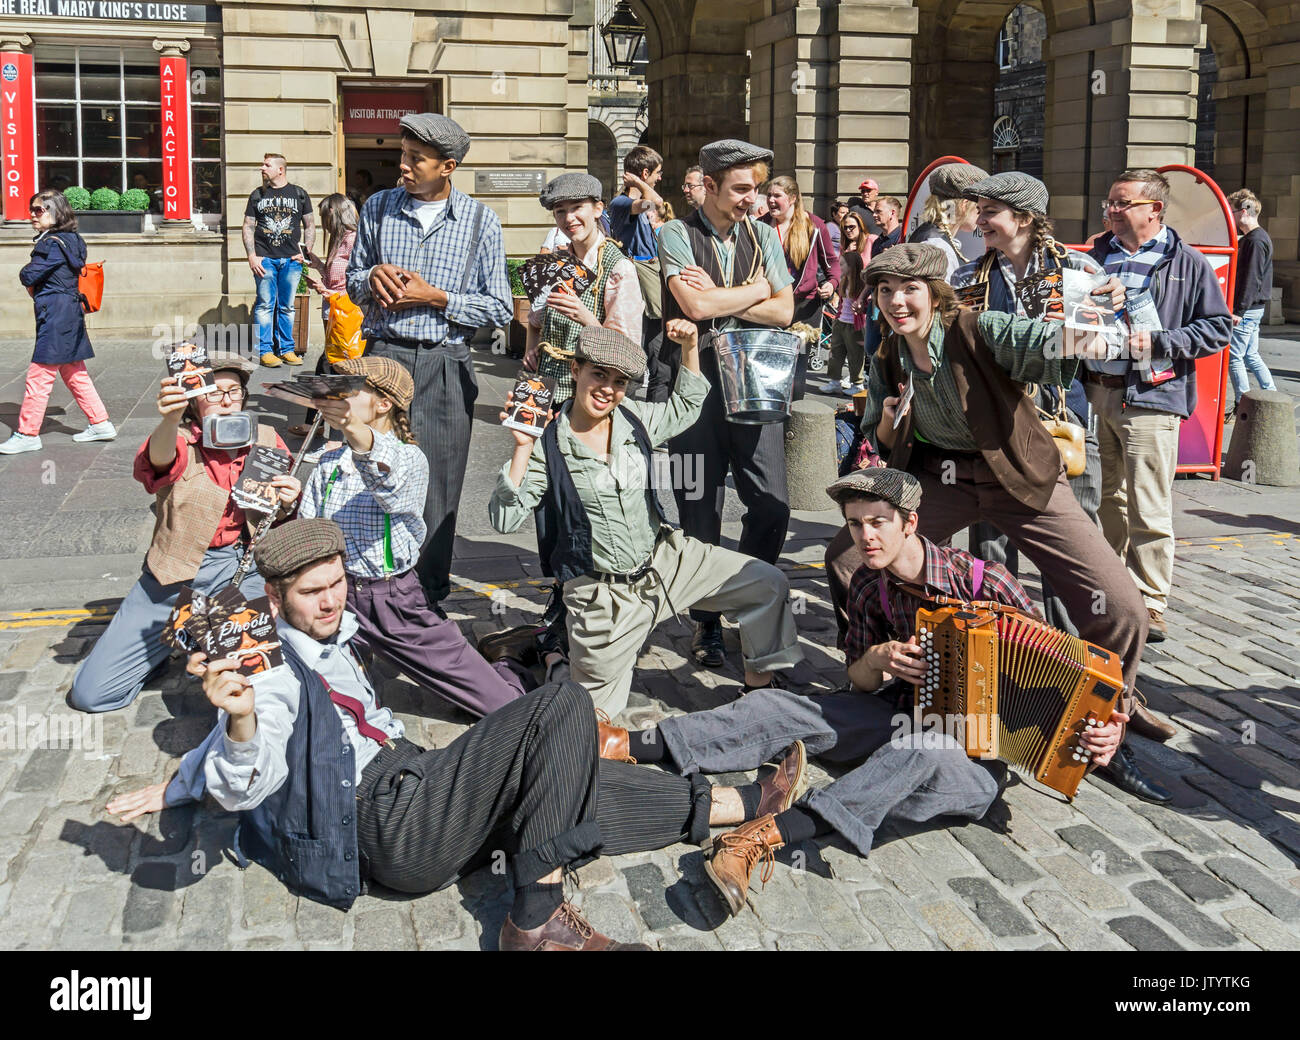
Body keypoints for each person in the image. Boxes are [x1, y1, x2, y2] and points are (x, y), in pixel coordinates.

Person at [105, 518, 802, 949]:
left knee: (555, 781)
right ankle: (535, 920)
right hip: (386, 823)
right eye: (311, 592)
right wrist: (237, 720)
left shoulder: (325, 636)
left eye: (335, 583)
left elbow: (219, 768)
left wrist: (175, 781)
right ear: (275, 598)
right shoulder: (271, 680)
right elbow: (246, 781)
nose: (329, 600)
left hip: (413, 786)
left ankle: (741, 808)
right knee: (559, 705)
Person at [597, 468, 1128, 915]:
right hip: (895, 715)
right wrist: (875, 661)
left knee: (924, 748)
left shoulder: (984, 583)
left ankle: (759, 838)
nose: (865, 537)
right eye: (855, 525)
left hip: (975, 764)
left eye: (878, 523)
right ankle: (630, 744)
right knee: (784, 703)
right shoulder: (871, 588)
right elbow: (856, 680)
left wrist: (1106, 728)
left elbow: (1073, 670)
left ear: (910, 524)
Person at [822, 244, 1168, 802]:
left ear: (934, 292)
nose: (895, 301)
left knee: (1121, 606)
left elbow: (1046, 345)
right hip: (939, 479)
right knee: (843, 556)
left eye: (909, 289)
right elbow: (880, 437)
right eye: (885, 290)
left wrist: (1091, 322)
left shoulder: (978, 328)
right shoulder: (887, 351)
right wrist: (887, 425)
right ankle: (871, 677)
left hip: (1018, 478)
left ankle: (1108, 727)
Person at [491, 324, 803, 716]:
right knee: (591, 719)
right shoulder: (548, 444)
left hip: (664, 561)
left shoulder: (632, 416)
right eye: (599, 374)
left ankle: (758, 694)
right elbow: (505, 518)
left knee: (767, 584)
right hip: (604, 597)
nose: (608, 389)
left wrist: (691, 346)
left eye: (619, 381)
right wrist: (522, 447)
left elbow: (687, 407)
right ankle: (553, 655)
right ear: (576, 370)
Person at [299, 356, 530, 718]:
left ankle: (505, 662)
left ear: (383, 403)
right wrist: (283, 505)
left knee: (504, 708)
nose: (340, 394)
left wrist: (350, 427)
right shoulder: (330, 461)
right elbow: (310, 527)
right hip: (338, 595)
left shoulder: (410, 459)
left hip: (393, 601)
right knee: (313, 702)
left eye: (352, 388)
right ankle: (359, 666)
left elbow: (385, 481)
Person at [346, 112, 512, 609]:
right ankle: (370, 586)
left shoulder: (482, 222)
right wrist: (371, 276)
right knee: (366, 473)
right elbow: (352, 282)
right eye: (403, 154)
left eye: (415, 158)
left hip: (445, 364)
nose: (403, 165)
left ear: (448, 166)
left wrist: (436, 297)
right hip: (381, 360)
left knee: (439, 485)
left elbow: (499, 306)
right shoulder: (376, 208)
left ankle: (428, 595)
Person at [67, 359, 299, 713]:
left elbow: (277, 517)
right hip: (176, 574)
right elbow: (157, 461)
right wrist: (169, 418)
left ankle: (198, 639)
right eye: (212, 393)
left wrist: (288, 499)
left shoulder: (266, 438)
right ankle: (177, 638)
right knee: (92, 695)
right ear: (194, 401)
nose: (225, 400)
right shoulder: (178, 440)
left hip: (243, 570)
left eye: (233, 391)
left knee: (252, 684)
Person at [656, 139, 795, 669]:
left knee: (772, 503)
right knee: (699, 507)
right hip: (693, 387)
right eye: (741, 189)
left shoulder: (762, 234)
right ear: (708, 187)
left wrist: (726, 293)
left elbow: (784, 312)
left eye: (756, 188)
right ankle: (706, 620)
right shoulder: (676, 232)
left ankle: (747, 590)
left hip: (755, 381)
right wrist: (755, 288)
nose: (752, 199)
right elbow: (693, 304)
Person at [1083, 169, 1232, 643]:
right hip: (1098, 390)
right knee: (1109, 499)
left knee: (1148, 504)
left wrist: (1163, 340)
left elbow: (1218, 328)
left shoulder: (1186, 262)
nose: (1111, 211)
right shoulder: (1097, 254)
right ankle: (1114, 589)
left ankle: (1150, 601)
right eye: (1110, 202)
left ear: (1155, 210)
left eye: (1121, 203)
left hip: (1152, 395)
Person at [2, 190, 116, 455]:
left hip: (54, 315)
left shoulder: (51, 244)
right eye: (32, 209)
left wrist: (24, 271)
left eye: (39, 210)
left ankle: (27, 433)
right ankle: (100, 424)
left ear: (56, 212)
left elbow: (29, 273)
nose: (32, 214)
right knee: (74, 372)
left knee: (38, 376)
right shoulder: (74, 240)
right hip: (70, 312)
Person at [524, 173, 644, 406]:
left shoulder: (618, 267)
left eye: (577, 207)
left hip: (589, 395)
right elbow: (534, 319)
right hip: (544, 384)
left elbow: (626, 353)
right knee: (529, 441)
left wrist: (586, 318)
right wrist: (530, 349)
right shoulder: (554, 263)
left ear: (598, 209)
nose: (569, 218)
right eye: (560, 211)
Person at [761, 176, 839, 400]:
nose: (771, 201)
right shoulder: (761, 225)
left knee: (797, 360)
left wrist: (832, 284)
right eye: (769, 196)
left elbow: (831, 262)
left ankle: (794, 409)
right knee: (771, 357)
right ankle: (771, 405)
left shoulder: (814, 226)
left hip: (805, 304)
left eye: (777, 196)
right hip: (770, 301)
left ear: (793, 198)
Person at [292, 193, 359, 436]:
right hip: (332, 309)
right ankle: (317, 425)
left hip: (344, 312)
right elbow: (333, 276)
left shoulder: (353, 240)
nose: (323, 222)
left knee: (331, 369)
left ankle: (330, 432)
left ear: (334, 213)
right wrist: (316, 264)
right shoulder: (338, 240)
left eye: (324, 216)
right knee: (326, 367)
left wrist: (324, 289)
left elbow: (353, 282)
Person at [243, 153, 313, 368]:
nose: (262, 168)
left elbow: (310, 225)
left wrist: (306, 254)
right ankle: (265, 351)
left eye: (267, 165)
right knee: (265, 305)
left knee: (287, 306)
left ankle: (287, 350)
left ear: (280, 169)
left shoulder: (299, 194)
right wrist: (252, 256)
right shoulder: (257, 194)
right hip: (265, 260)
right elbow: (248, 225)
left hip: (292, 261)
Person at [1225, 188, 1276, 420]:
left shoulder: (1254, 241)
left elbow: (1250, 279)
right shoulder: (1257, 237)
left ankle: (1242, 402)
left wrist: (1238, 311)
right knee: (1251, 354)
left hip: (1247, 309)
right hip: (1255, 308)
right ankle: (1271, 394)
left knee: (1234, 357)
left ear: (1244, 211)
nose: (1230, 216)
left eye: (1232, 211)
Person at [817, 249, 868, 396]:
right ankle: (834, 382)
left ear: (852, 265)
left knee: (855, 355)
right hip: (840, 322)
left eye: (842, 264)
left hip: (855, 325)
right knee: (835, 353)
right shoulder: (844, 281)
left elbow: (865, 304)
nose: (840, 267)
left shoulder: (861, 283)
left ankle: (857, 384)